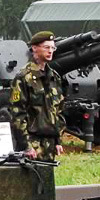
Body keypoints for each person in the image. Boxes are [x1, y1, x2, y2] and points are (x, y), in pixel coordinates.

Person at [7, 30, 66, 161]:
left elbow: (59, 110)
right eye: (46, 47)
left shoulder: (54, 77)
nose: (50, 51)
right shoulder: (23, 77)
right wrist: (26, 146)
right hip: (32, 143)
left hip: (49, 144)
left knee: (47, 180)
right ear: (34, 48)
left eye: (52, 47)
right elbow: (17, 114)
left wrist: (58, 140)